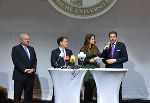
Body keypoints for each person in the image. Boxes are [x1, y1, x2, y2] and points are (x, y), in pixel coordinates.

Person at [101, 31, 128, 103]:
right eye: (111, 37)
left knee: (118, 87)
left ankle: (118, 101)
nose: (112, 38)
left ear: (116, 37)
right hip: (108, 69)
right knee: (108, 87)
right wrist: (106, 59)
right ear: (109, 38)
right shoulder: (107, 46)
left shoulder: (121, 45)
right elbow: (102, 58)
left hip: (118, 69)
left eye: (113, 37)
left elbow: (125, 58)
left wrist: (115, 60)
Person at [11, 34, 37, 103]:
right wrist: (25, 70)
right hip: (20, 75)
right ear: (21, 40)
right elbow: (16, 61)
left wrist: (33, 69)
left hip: (30, 75)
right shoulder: (15, 48)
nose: (27, 40)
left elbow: (35, 60)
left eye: (28, 39)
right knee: (17, 95)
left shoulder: (31, 48)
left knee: (29, 96)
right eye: (26, 39)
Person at [79, 33, 103, 103]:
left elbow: (101, 55)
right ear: (88, 40)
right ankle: (87, 101)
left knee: (93, 86)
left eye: (94, 39)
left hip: (95, 69)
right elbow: (80, 61)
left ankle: (91, 101)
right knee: (88, 86)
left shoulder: (95, 48)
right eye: (92, 39)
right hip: (88, 69)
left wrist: (105, 49)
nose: (94, 40)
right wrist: (89, 60)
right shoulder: (83, 49)